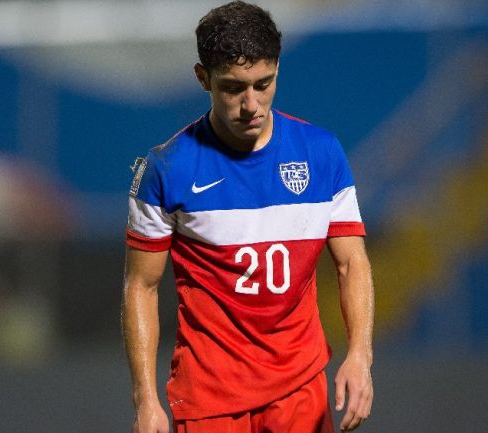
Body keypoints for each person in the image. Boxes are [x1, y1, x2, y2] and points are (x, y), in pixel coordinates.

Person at [122, 2, 374, 432]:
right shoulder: (167, 168)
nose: (251, 105)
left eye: (264, 83)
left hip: (301, 391)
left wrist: (360, 355)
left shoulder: (321, 153)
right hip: (209, 400)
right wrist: (145, 399)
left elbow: (352, 263)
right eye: (233, 88)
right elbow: (140, 285)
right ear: (203, 77)